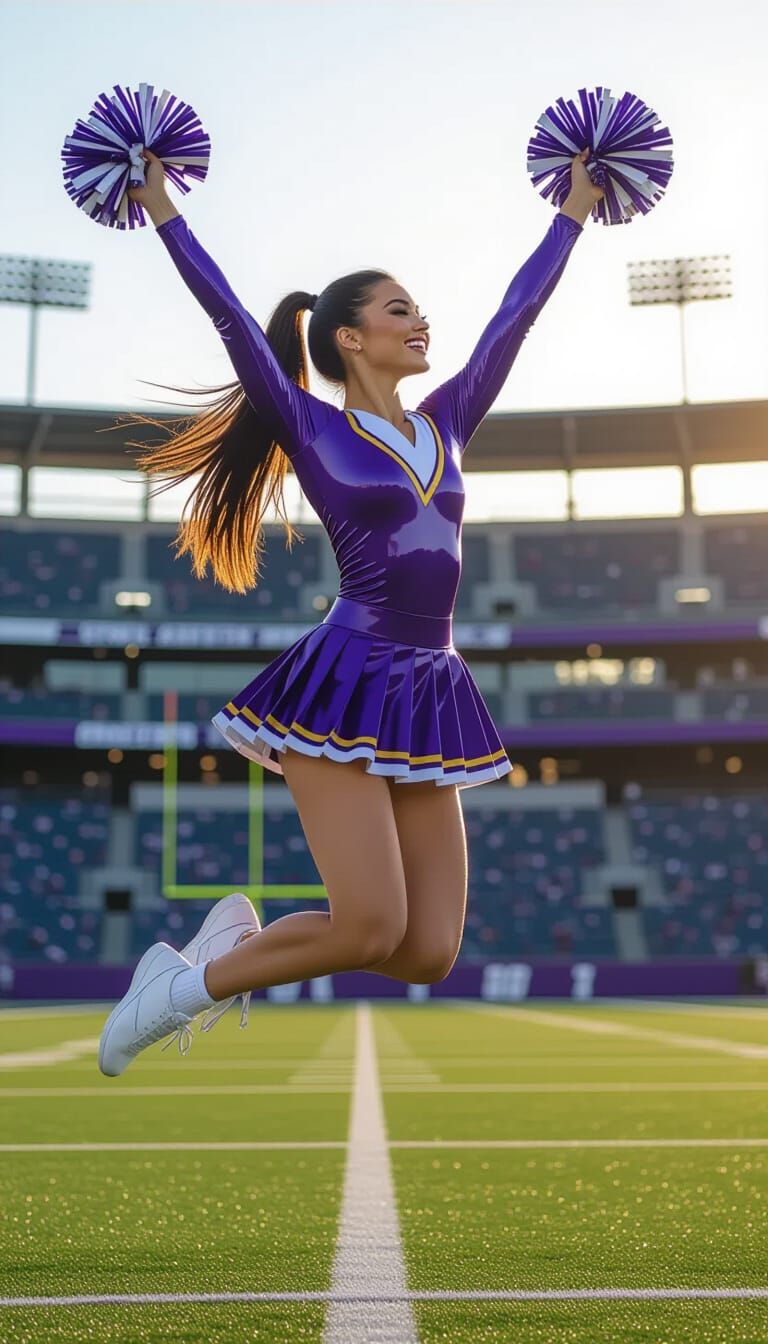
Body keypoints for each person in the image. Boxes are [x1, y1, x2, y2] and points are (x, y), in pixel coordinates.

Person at [98, 145, 603, 1076]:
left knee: (427, 949)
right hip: (344, 681)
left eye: (417, 308)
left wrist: (570, 215)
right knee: (369, 923)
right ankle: (175, 991)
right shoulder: (312, 425)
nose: (420, 321)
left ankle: (224, 955)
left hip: (431, 686)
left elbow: (515, 316)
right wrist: (164, 210)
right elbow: (229, 317)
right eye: (398, 309)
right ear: (349, 338)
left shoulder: (448, 421)